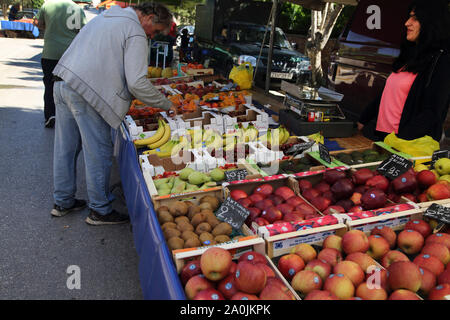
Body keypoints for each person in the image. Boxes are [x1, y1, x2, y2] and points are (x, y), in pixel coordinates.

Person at [50, 2, 177, 225]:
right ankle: (99, 210)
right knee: (98, 151)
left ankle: (63, 201)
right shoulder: (135, 31)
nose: (152, 36)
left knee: (66, 148)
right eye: (155, 31)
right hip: (86, 91)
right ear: (149, 18)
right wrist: (166, 104)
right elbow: (137, 82)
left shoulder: (106, 17)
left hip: (62, 82)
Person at [357, 0, 450, 142]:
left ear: (431, 22)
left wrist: (401, 140)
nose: (407, 23)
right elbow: (387, 95)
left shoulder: (441, 61)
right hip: (385, 139)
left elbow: (432, 112)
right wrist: (363, 119)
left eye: (415, 18)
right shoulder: (410, 57)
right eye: (409, 17)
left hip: (406, 145)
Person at [34, 0, 87, 128]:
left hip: (50, 53)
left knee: (49, 84)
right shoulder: (77, 8)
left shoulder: (47, 5)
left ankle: (51, 115)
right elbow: (85, 30)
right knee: (70, 86)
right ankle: (70, 117)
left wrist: (49, 27)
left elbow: (36, 23)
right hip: (70, 54)